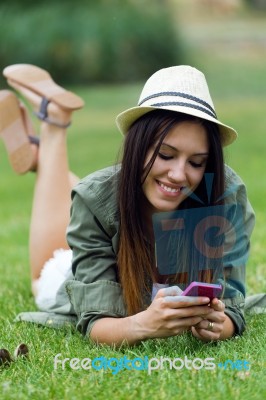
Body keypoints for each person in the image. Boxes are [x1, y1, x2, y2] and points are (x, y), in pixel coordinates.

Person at [0, 64, 256, 347]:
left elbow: (232, 303)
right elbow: (95, 321)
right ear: (138, 145)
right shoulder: (95, 200)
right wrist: (143, 324)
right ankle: (54, 126)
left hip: (116, 191)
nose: (180, 174)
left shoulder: (224, 195)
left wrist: (220, 325)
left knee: (111, 190)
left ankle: (42, 158)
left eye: (196, 162)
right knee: (43, 277)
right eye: (165, 155)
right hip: (93, 246)